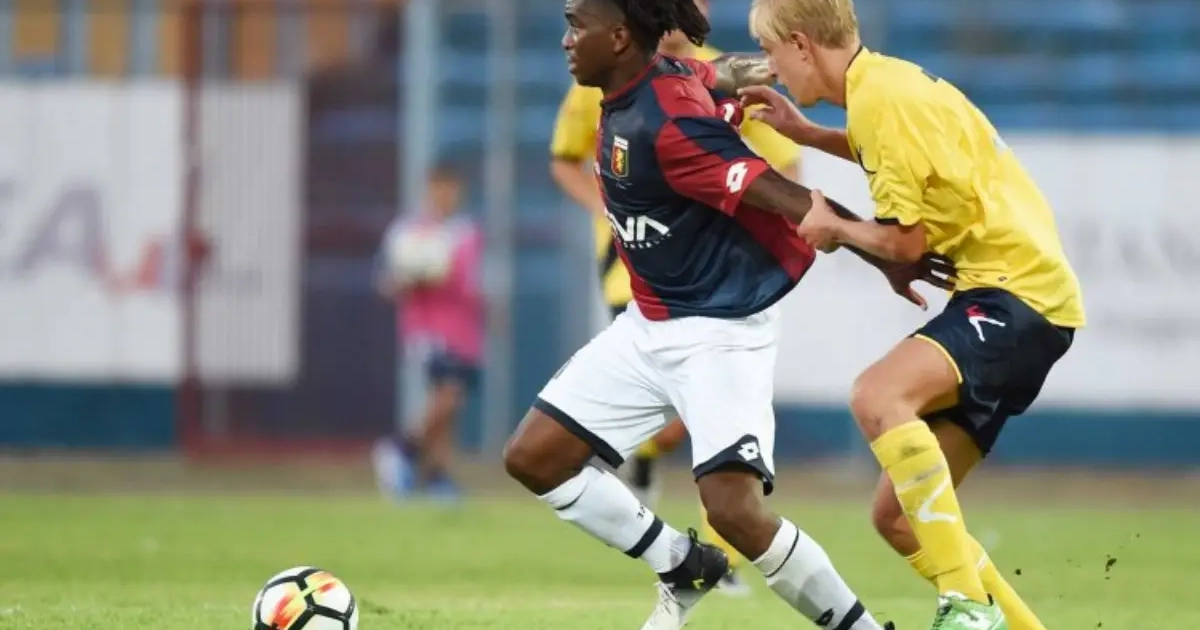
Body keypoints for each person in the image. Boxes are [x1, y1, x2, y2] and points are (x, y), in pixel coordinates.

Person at [504, 1, 952, 628]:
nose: (566, 40)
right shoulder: (654, 81)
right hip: (647, 324)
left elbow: (789, 196)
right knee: (533, 458)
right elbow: (720, 74)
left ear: (621, 36)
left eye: (578, 25)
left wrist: (883, 256)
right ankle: (682, 564)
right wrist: (762, 68)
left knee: (735, 514)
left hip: (718, 334)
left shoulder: (671, 125)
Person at [738, 1, 1085, 629]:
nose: (772, 68)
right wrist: (809, 135)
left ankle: (968, 606)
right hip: (1030, 300)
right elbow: (900, 159)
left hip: (1016, 292)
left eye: (772, 52)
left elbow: (904, 244)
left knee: (878, 395)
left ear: (801, 44)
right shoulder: (886, 86)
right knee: (899, 519)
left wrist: (835, 227)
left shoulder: (881, 101)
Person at [547, 0, 802, 596]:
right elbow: (564, 160)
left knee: (701, 422)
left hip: (711, 275)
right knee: (691, 410)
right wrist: (611, 207)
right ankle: (699, 553)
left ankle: (683, 519)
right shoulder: (601, 71)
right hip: (633, 272)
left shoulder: (711, 73)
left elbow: (780, 165)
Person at [373, 165, 484, 501]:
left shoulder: (465, 232)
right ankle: (401, 449)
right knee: (448, 395)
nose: (446, 196)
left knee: (448, 407)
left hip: (465, 332)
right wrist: (412, 277)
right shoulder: (409, 233)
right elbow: (388, 282)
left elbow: (470, 282)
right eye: (439, 188)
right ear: (428, 190)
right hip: (428, 330)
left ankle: (437, 478)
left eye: (452, 189)